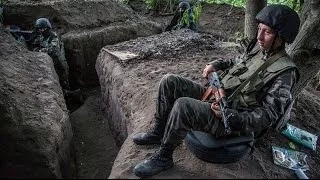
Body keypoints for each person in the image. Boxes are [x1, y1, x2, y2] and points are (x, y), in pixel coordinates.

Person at [132, 4, 300, 178]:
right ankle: (158, 132)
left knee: (183, 107)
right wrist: (216, 64)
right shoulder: (258, 49)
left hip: (233, 120)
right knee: (169, 81)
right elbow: (236, 62)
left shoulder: (285, 72)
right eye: (259, 29)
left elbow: (269, 116)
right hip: (218, 95)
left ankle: (164, 157)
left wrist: (234, 117)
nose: (259, 36)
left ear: (281, 36)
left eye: (267, 32)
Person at [29, 18, 72, 94]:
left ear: (46, 28)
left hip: (60, 65)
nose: (39, 31)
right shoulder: (42, 36)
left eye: (41, 29)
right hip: (51, 64)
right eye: (38, 29)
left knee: (64, 85)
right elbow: (36, 43)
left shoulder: (54, 36)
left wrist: (38, 51)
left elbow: (53, 50)